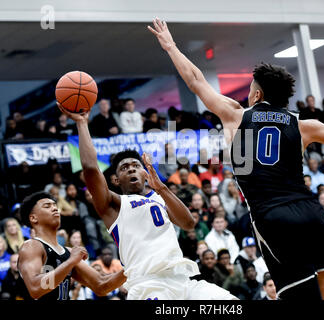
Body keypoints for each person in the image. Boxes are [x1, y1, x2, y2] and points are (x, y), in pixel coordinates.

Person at [148, 17, 324, 300]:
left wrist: (171, 46)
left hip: (272, 217)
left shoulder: (235, 115)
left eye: (251, 87)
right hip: (313, 215)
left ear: (257, 94)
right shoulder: (304, 125)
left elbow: (194, 80)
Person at [57, 104, 236, 300]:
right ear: (116, 180)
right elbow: (91, 169)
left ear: (145, 172)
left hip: (183, 281)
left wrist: (162, 188)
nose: (132, 169)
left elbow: (188, 223)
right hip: (149, 285)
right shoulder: (114, 205)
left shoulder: (160, 196)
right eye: (125, 168)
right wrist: (82, 123)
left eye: (136, 165)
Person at [17, 191, 126, 300]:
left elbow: (101, 285)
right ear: (33, 218)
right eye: (47, 206)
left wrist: (132, 267)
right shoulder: (31, 246)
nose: (55, 209)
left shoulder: (68, 252)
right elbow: (36, 289)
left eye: (55, 206)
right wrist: (71, 261)